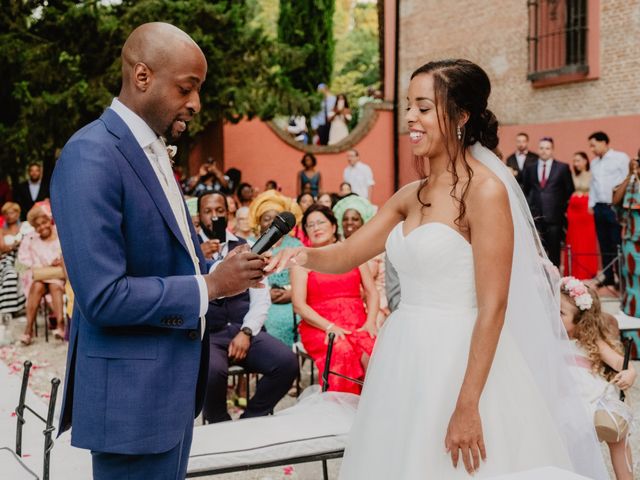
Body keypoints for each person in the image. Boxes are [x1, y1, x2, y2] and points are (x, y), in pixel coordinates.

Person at [266, 59, 607, 479]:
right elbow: (347, 252)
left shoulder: (485, 192)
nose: (410, 117)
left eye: (423, 108)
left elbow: (495, 305)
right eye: (409, 106)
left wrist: (468, 404)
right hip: (404, 357)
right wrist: (298, 255)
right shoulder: (411, 194)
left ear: (461, 115)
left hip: (462, 360)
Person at [49, 23, 266, 480]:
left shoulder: (153, 153)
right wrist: (209, 285)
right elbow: (103, 296)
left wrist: (227, 271)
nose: (196, 104)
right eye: (187, 88)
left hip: (169, 393)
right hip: (131, 404)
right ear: (142, 76)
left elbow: (169, 261)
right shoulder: (91, 154)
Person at [202, 192, 298, 423]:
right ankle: (219, 423)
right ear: (200, 216)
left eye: (220, 211)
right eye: (208, 211)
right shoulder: (191, 249)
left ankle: (251, 419)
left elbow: (261, 296)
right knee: (211, 372)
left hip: (242, 328)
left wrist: (246, 332)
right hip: (209, 333)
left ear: (229, 214)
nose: (214, 216)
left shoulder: (248, 246)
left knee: (286, 363)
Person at [290, 204, 378, 394]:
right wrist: (329, 327)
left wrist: (371, 322)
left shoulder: (352, 253)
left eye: (320, 222)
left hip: (358, 323)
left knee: (375, 352)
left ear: (333, 226)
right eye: (310, 225)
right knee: (341, 350)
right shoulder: (301, 260)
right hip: (320, 325)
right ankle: (340, 411)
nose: (316, 228)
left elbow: (371, 291)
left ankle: (371, 409)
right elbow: (299, 305)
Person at [560, 277, 635, 480]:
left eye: (561, 314)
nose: (554, 317)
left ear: (580, 319)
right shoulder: (551, 340)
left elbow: (621, 363)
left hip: (595, 397)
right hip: (568, 402)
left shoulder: (591, 341)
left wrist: (629, 373)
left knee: (618, 437)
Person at [249, 190, 303, 347]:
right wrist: (266, 294)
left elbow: (304, 278)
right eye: (267, 219)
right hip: (258, 301)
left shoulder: (295, 245)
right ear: (259, 222)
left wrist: (291, 293)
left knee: (294, 319)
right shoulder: (250, 244)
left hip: (292, 301)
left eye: (276, 219)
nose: (272, 223)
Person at [333, 196, 389, 326]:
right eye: (345, 219)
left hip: (374, 307)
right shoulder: (335, 249)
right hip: (342, 307)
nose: (349, 222)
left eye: (355, 219)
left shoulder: (376, 250)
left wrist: (374, 312)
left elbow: (381, 283)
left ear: (364, 221)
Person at [522, 137, 574, 268]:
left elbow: (569, 189)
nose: (544, 151)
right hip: (536, 217)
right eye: (541, 148)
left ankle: (555, 282)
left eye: (547, 148)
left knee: (555, 252)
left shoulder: (562, 168)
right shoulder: (530, 168)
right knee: (537, 252)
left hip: (555, 218)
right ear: (538, 149)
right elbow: (526, 189)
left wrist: (559, 207)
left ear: (552, 150)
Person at [17, 206, 65, 345]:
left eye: (44, 223)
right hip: (39, 277)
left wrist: (61, 261)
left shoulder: (60, 235)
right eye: (37, 226)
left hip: (57, 277)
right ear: (34, 227)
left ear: (49, 221)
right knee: (37, 285)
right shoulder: (31, 240)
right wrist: (34, 268)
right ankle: (28, 329)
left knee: (55, 285)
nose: (42, 227)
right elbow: (20, 264)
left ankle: (60, 325)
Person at [589, 131, 630, 287]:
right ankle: (608, 276)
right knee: (604, 242)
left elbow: (626, 181)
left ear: (604, 142)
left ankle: (621, 277)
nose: (592, 149)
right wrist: (592, 204)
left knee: (616, 242)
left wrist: (622, 206)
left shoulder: (620, 158)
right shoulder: (594, 163)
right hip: (599, 207)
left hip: (614, 207)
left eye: (593, 145)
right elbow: (593, 185)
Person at [612, 150, 640, 317]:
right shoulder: (631, 183)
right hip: (632, 241)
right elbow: (615, 200)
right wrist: (631, 174)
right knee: (632, 281)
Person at [564, 152, 598, 279]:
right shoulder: (571, 175)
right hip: (573, 211)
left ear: (585, 161)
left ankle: (587, 271)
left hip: (586, 211)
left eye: (578, 160)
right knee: (573, 240)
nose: (576, 163)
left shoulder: (592, 174)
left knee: (587, 240)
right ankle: (573, 271)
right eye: (574, 161)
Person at [0, 202, 26, 316]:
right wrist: (16, 244)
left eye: (12, 212)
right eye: (6, 213)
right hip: (7, 259)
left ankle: (22, 306)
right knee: (10, 274)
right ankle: (8, 309)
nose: (10, 215)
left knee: (23, 273)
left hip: (24, 257)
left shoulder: (25, 226)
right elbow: (3, 248)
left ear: (18, 213)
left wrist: (13, 246)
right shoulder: (1, 230)